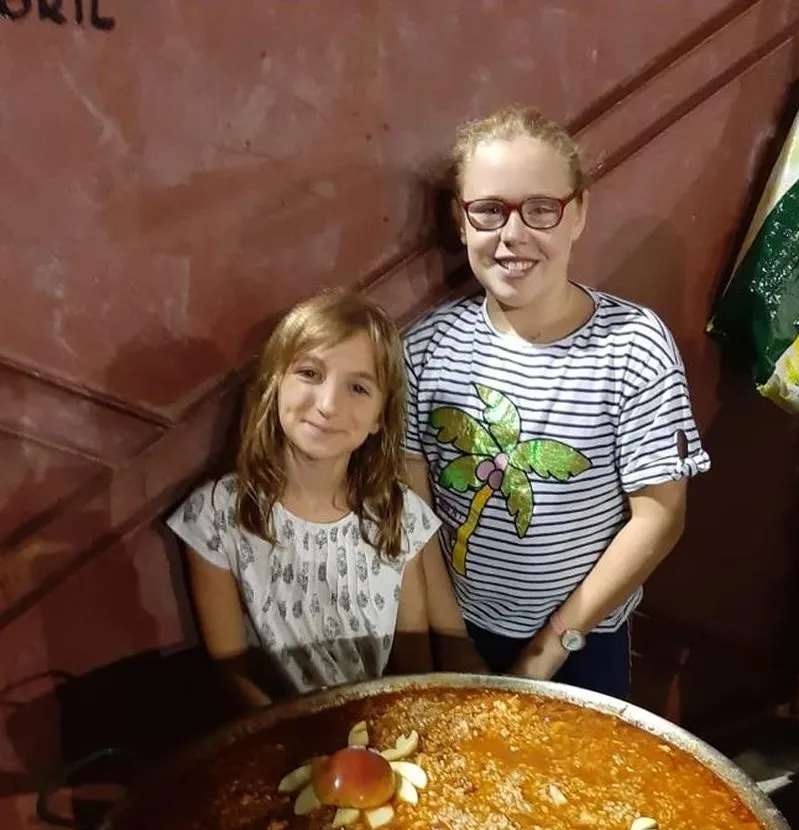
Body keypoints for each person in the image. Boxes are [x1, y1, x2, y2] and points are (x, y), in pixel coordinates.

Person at [403, 105, 710, 699]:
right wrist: (453, 640)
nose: (513, 235)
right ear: (461, 221)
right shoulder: (424, 349)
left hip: (583, 639)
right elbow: (413, 509)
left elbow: (660, 516)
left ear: (579, 214)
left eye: (541, 209)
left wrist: (548, 650)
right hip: (460, 632)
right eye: (489, 210)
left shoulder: (634, 347)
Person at [167, 289, 440, 714]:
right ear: (275, 384)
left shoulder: (398, 514)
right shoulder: (216, 515)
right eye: (310, 373)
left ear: (379, 419)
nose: (328, 405)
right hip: (279, 731)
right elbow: (233, 673)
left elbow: (414, 659)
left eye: (358, 387)